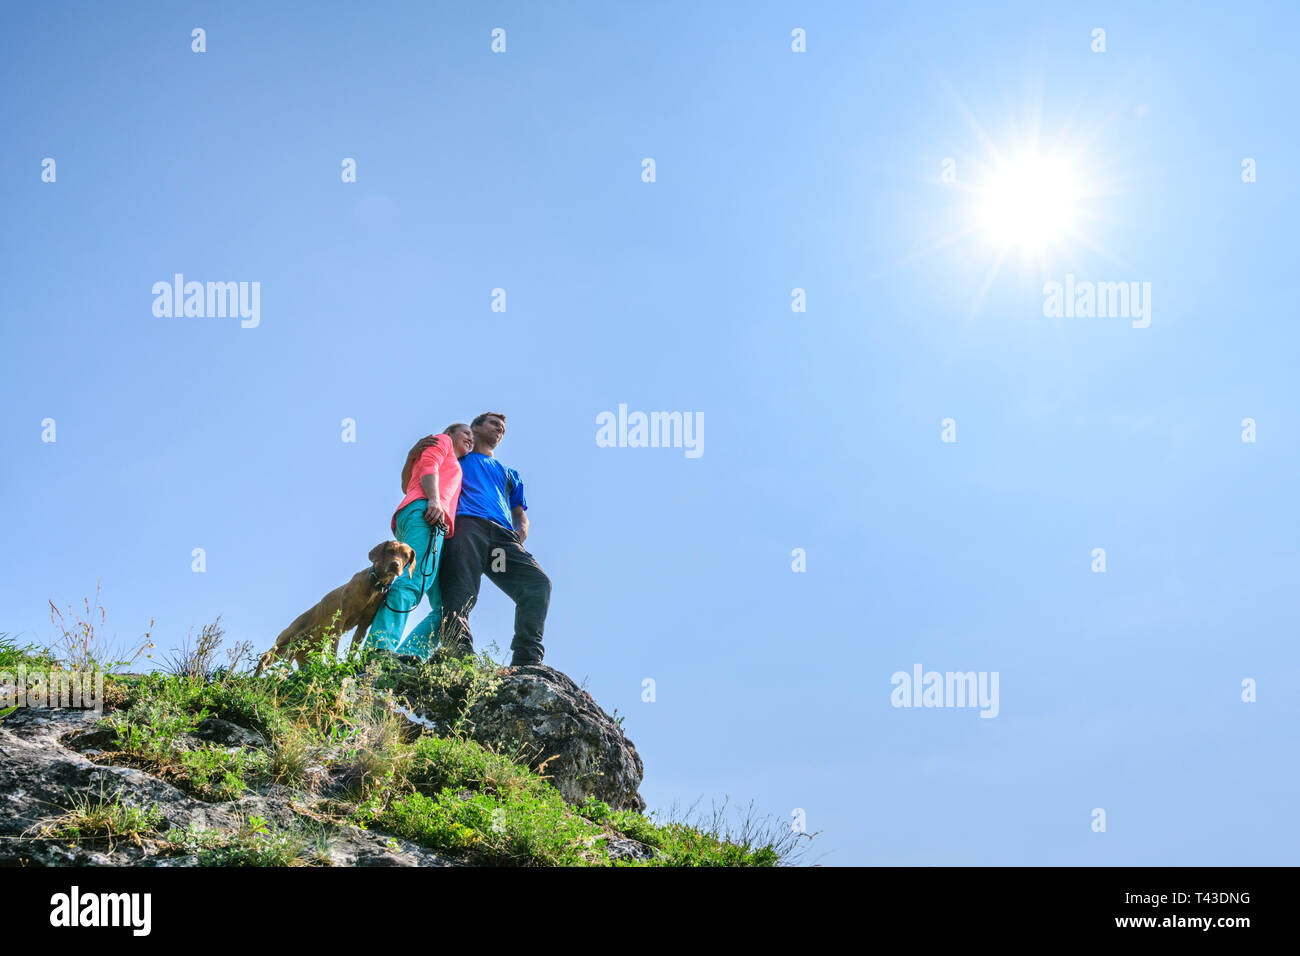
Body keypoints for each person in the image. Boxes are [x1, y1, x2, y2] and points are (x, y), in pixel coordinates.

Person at [439, 412, 552, 666]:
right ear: (475, 428)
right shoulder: (459, 457)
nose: (500, 429)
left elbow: (520, 514)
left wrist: (521, 529)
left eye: (503, 428)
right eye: (494, 424)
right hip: (467, 526)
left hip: (501, 539)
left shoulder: (510, 474)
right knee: (461, 589)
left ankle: (527, 657)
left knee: (537, 584)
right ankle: (458, 653)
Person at [365, 423, 474, 659]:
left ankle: (410, 655)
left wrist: (409, 457)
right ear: (449, 433)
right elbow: (428, 465)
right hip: (426, 513)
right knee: (411, 582)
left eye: (472, 436)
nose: (470, 438)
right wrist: (434, 500)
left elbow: (407, 485)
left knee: (443, 606)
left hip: (418, 516)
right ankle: (378, 650)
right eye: (466, 432)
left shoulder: (449, 457)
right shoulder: (442, 441)